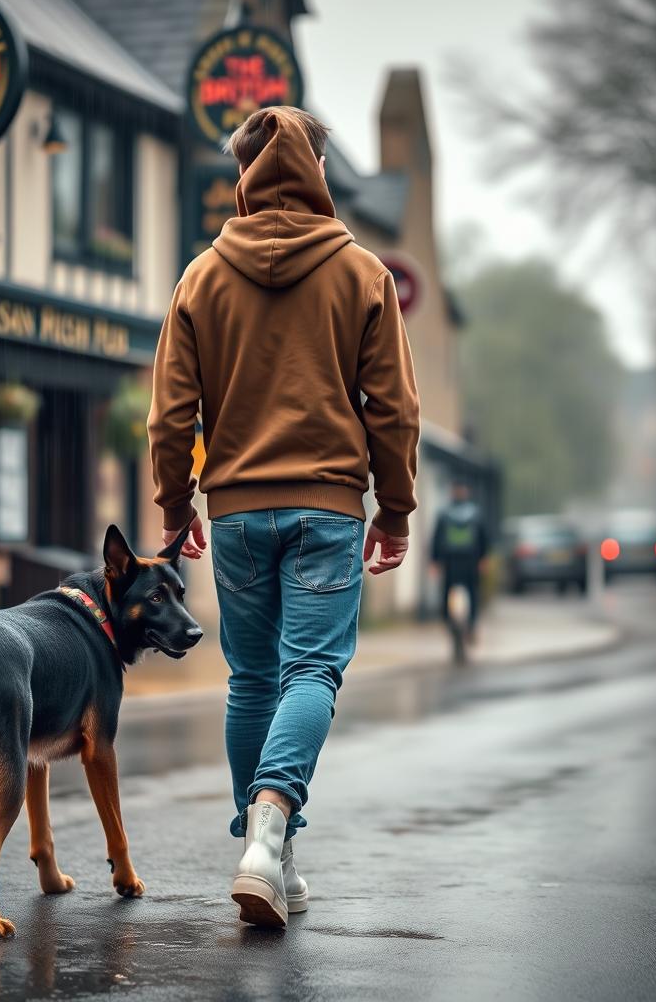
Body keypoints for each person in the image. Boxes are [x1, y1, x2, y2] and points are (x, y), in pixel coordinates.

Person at [146, 106, 421, 928]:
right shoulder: (362, 273)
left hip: (232, 515)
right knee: (311, 675)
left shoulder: (200, 276)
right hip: (327, 511)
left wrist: (173, 506)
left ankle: (270, 854)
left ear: (243, 175)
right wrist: (396, 509)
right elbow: (394, 410)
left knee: (253, 681)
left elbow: (170, 414)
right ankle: (269, 834)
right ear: (319, 171)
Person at [430, 481, 489, 654]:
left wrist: (434, 560)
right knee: (471, 593)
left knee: (449, 594)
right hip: (468, 561)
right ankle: (469, 625)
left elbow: (436, 538)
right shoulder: (475, 513)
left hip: (451, 562)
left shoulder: (444, 514)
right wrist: (483, 558)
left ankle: (455, 624)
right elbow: (483, 537)